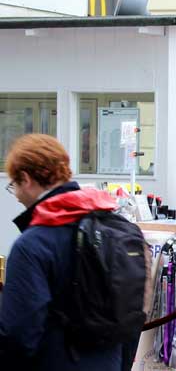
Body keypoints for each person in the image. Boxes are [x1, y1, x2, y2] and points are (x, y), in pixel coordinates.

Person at [0, 134, 123, 370]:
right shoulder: (114, 226)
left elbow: (19, 333)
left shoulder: (33, 244)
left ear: (26, 179)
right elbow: (131, 314)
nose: (16, 196)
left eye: (13, 185)